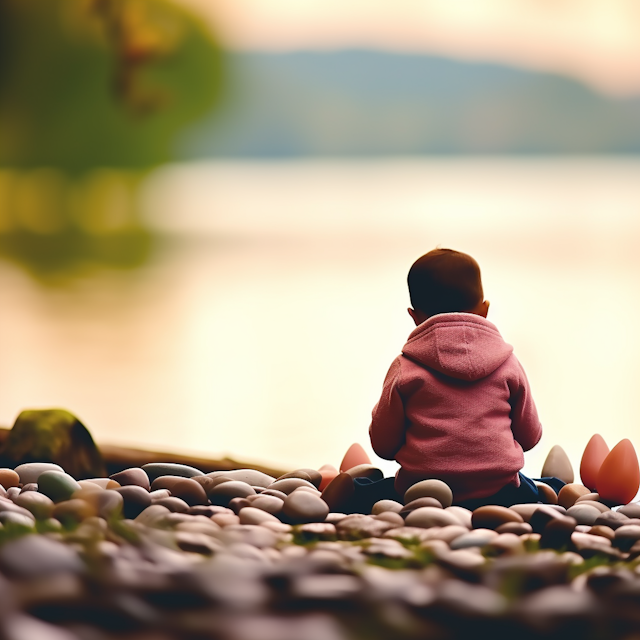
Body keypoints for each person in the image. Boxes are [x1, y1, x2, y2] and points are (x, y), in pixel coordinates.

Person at [352, 247, 564, 512]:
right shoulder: (508, 364)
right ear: (484, 310)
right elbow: (530, 437)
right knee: (552, 486)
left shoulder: (405, 368)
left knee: (364, 489)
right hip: (500, 491)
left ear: (414, 316)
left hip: (420, 491)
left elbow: (383, 446)